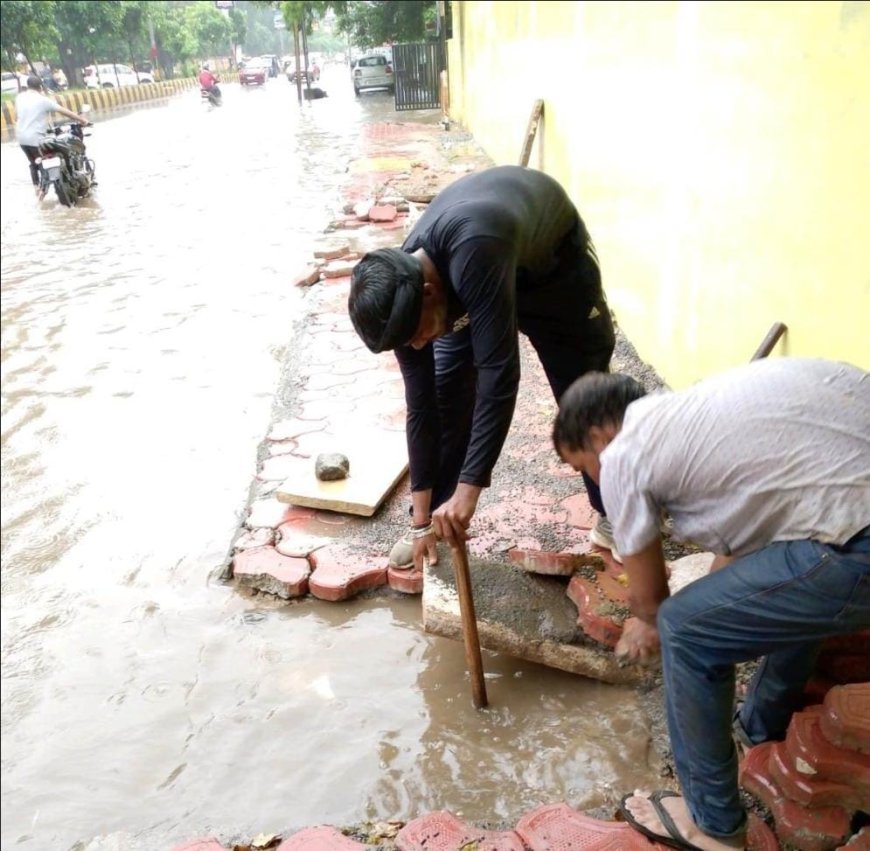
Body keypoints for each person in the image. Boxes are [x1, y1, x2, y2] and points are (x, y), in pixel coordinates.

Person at [552, 358, 870, 851]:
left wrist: (646, 619)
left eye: (582, 466)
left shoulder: (623, 452)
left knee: (686, 629)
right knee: (780, 580)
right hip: (850, 505)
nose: (593, 478)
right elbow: (743, 556)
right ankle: (760, 727)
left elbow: (653, 596)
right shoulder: (695, 412)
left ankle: (714, 826)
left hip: (859, 544)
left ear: (599, 434)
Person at [348, 165, 616, 570]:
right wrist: (421, 518)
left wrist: (470, 492)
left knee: (583, 398)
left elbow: (500, 376)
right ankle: (436, 521)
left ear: (429, 292)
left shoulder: (475, 249)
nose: (418, 346)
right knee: (446, 391)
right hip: (470, 278)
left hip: (551, 272)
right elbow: (421, 407)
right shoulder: (400, 296)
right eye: (410, 342)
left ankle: (616, 512)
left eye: (419, 334)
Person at [14, 75, 91, 198]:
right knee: (49, 162)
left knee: (34, 163)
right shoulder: (43, 100)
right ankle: (42, 195)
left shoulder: (19, 98)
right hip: (36, 139)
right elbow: (64, 111)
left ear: (27, 86)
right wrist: (82, 120)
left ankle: (36, 189)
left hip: (22, 138)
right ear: (40, 87)